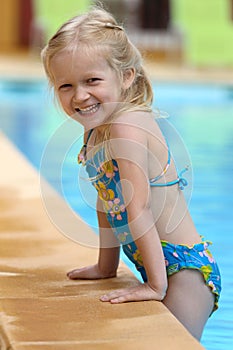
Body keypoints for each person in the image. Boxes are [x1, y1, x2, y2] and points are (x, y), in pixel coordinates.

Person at [41, 5, 221, 340]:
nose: (80, 96)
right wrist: (106, 267)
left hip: (184, 272)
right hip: (161, 267)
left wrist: (155, 285)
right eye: (66, 86)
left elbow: (139, 208)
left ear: (125, 76)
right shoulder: (96, 127)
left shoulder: (126, 126)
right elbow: (107, 199)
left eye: (92, 80)